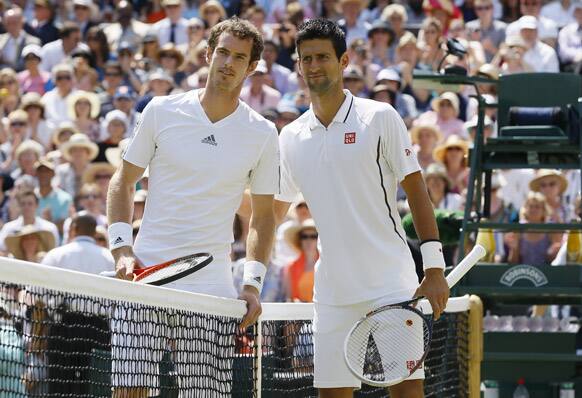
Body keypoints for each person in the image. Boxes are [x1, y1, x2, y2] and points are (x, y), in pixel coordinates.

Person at [273, 19, 449, 398]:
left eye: (323, 57)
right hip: (332, 293)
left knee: (407, 393)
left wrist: (434, 267)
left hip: (391, 285)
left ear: (344, 61)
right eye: (307, 59)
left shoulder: (380, 117)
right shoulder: (289, 137)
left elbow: (416, 189)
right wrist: (252, 272)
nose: (315, 65)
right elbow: (275, 210)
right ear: (298, 67)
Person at [106, 17, 279, 397]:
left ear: (251, 68)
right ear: (208, 54)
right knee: (128, 393)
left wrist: (251, 283)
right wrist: (121, 248)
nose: (228, 63)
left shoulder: (264, 134)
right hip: (142, 276)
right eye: (222, 52)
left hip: (210, 286)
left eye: (239, 57)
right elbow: (123, 180)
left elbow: (263, 218)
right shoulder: (160, 110)